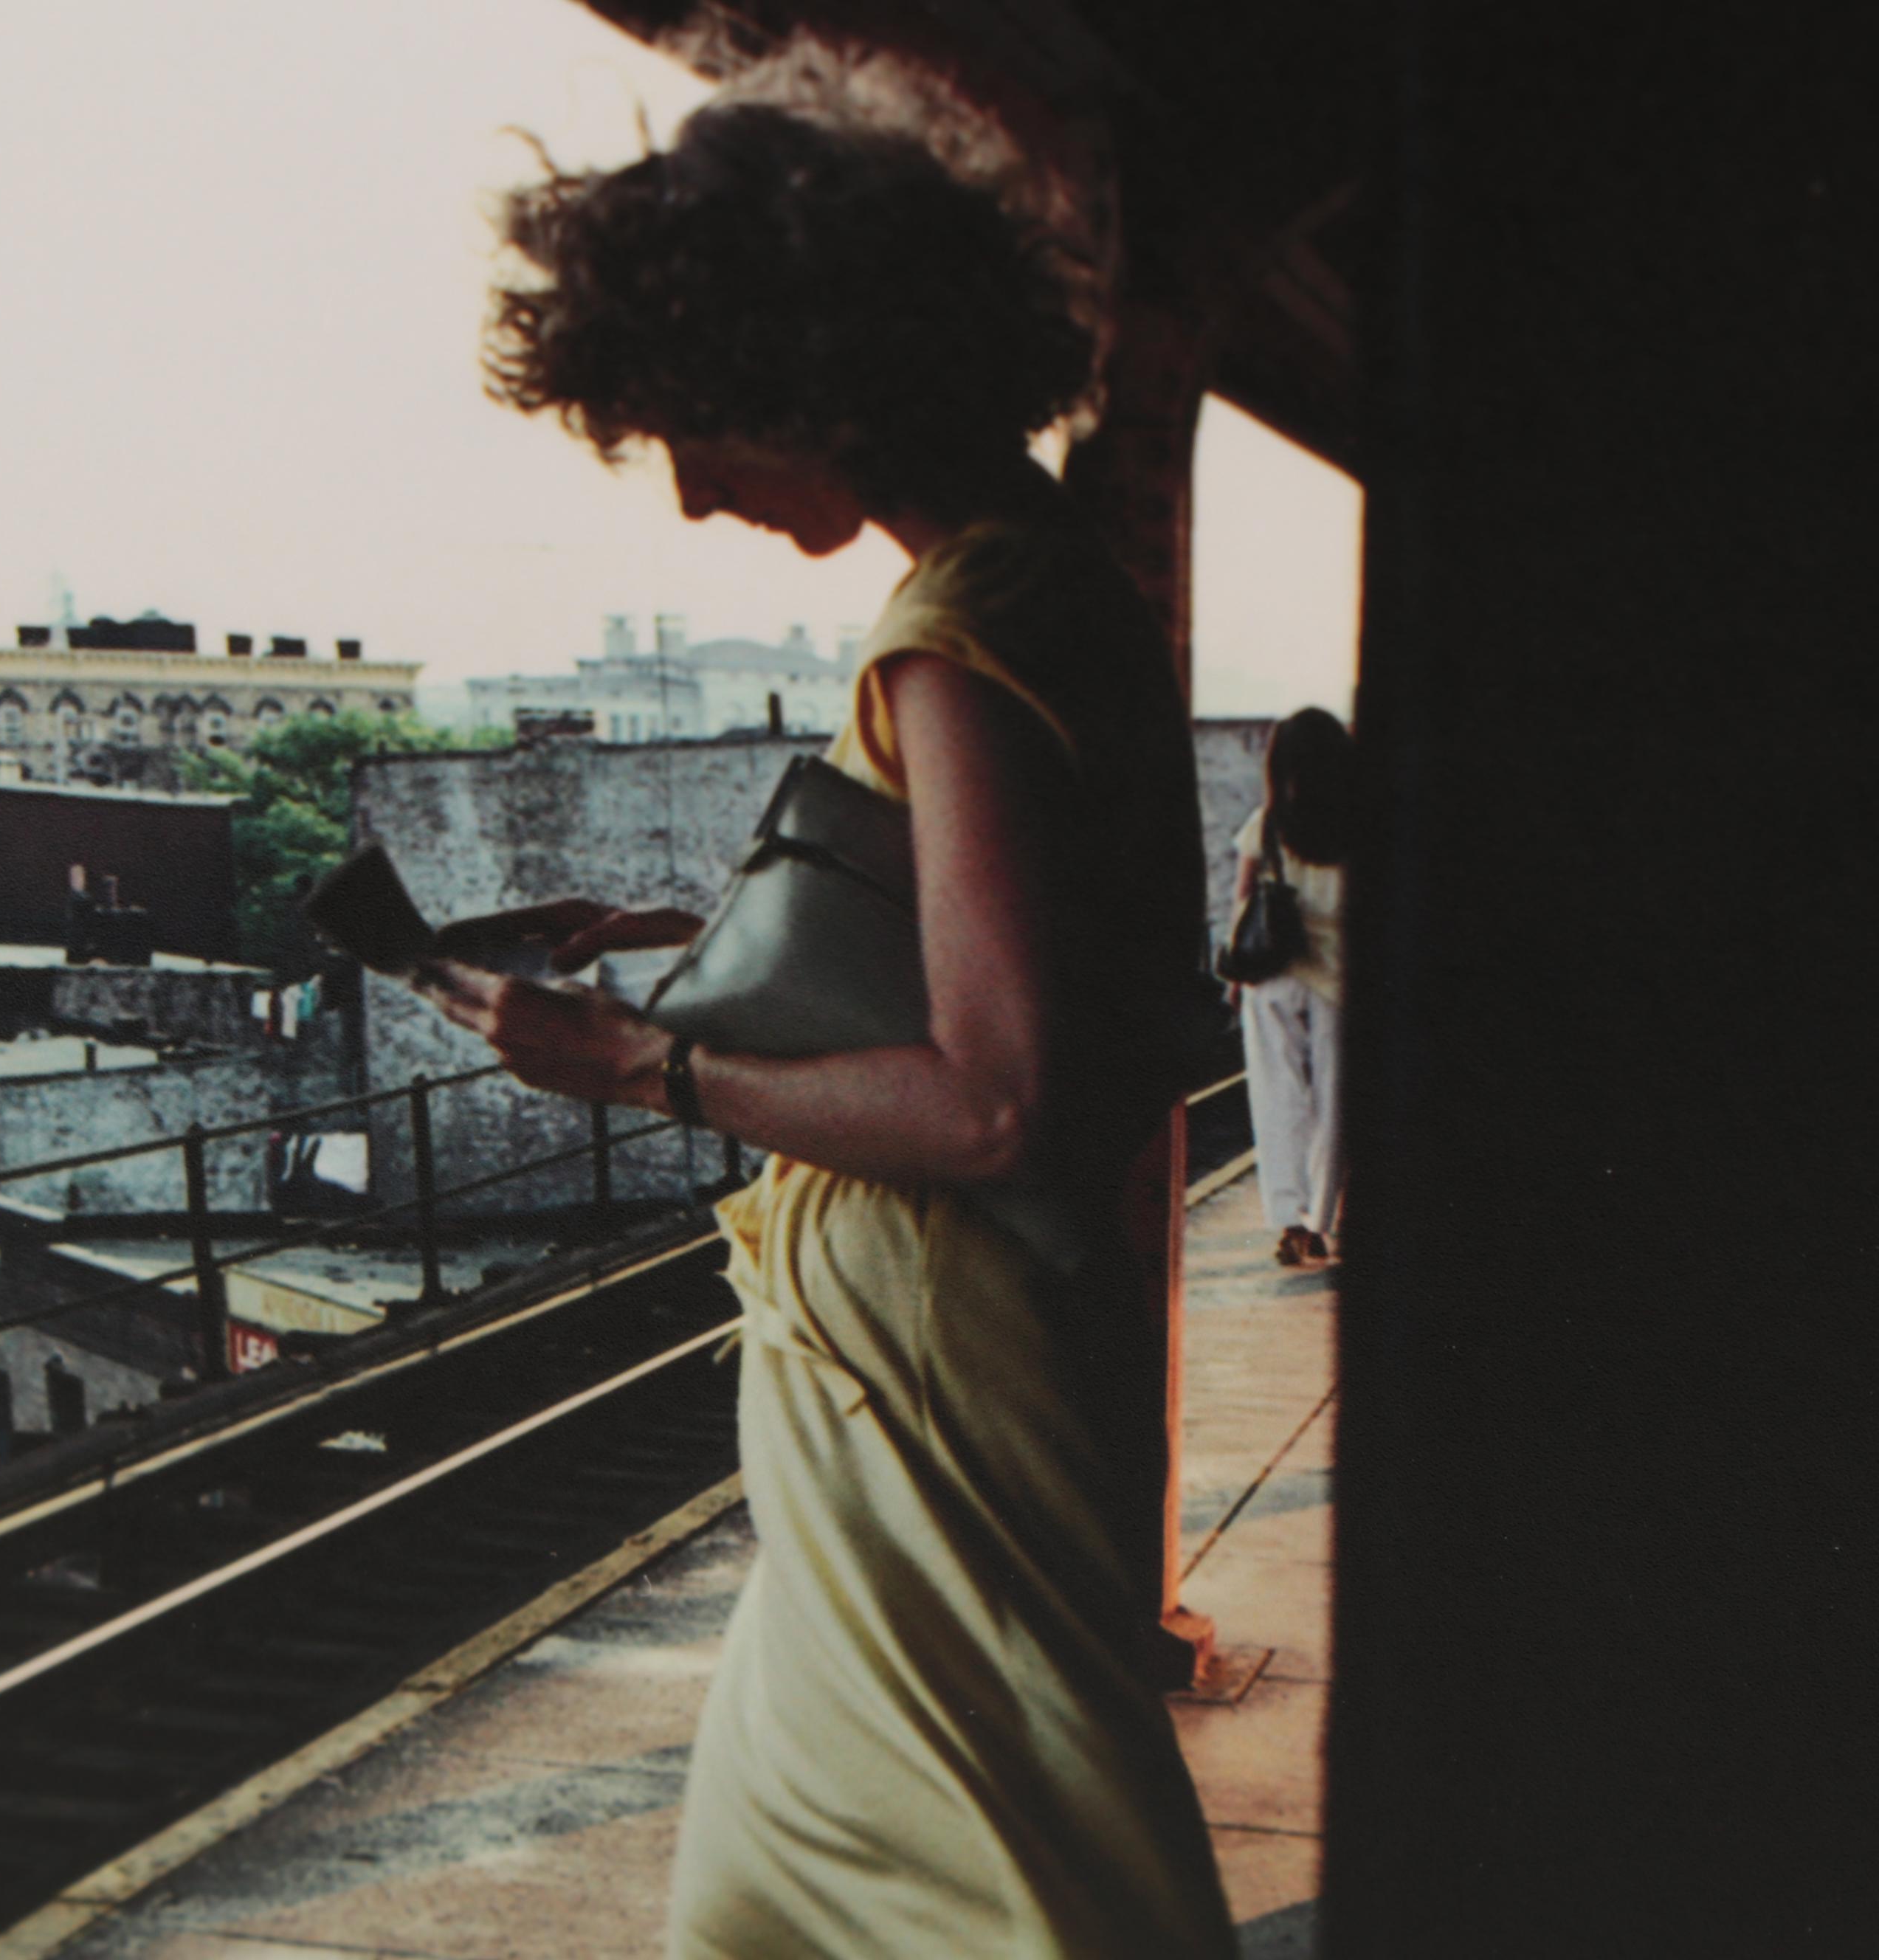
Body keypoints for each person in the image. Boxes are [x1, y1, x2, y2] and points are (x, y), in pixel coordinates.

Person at [430, 87, 1236, 1960]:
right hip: (951, 1356)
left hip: (930, 1355)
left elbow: (987, 1100)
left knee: (970, 1866)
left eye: (689, 429)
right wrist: (704, 924)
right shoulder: (1050, 587)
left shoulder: (951, 630)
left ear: (805, 377)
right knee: (821, 1868)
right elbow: (1017, 946)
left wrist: (629, 1057)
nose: (696, 489)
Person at [1227, 708, 1351, 1265]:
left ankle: (1286, 1219)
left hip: (1274, 977)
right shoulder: (1362, 827)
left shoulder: (1268, 822)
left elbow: (1242, 899)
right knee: (1333, 1105)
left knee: (1277, 1098)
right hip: (1338, 982)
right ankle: (1319, 1222)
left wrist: (1235, 978)